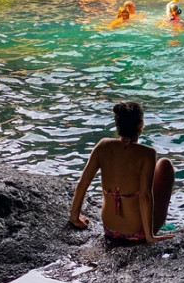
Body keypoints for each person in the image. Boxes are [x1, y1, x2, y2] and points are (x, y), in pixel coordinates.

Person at [68, 102, 175, 244]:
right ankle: (151, 230)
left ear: (117, 125)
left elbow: (83, 183)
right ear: (140, 125)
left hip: (110, 230)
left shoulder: (103, 145)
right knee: (164, 165)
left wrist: (74, 217)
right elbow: (145, 196)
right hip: (136, 233)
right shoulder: (147, 153)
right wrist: (149, 237)